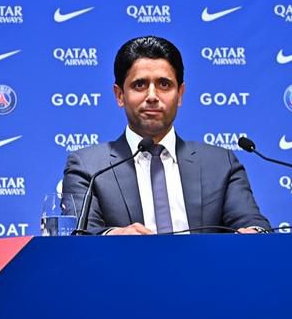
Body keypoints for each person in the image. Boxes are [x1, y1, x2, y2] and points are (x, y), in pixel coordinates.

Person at [63, 35, 269, 235]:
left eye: (164, 85)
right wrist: (113, 237)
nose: (152, 96)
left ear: (180, 94)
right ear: (119, 95)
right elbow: (80, 236)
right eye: (139, 85)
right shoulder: (89, 167)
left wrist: (255, 233)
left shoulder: (221, 164)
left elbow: (252, 223)